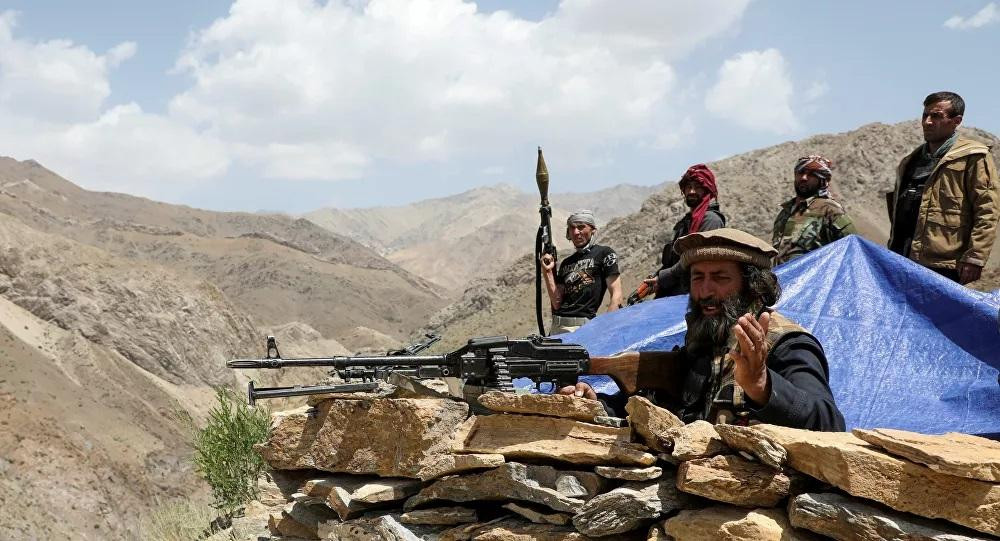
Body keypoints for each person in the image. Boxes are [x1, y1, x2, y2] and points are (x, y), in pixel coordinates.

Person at [560, 228, 846, 432]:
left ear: (753, 286)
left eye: (720, 278)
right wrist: (597, 403)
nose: (705, 291)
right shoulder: (704, 339)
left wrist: (762, 385)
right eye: (698, 278)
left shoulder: (787, 343)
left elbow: (829, 423)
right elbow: (652, 404)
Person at [887, 91, 1000, 284]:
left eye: (936, 116)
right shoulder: (910, 161)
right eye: (925, 115)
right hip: (901, 257)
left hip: (944, 264)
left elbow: (987, 210)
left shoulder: (973, 157)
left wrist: (975, 257)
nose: (927, 122)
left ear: (956, 121)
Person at [645, 164, 726, 299]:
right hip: (675, 296)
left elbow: (697, 257)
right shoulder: (685, 223)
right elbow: (673, 261)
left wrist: (663, 278)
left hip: (693, 296)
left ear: (707, 190)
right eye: (688, 187)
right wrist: (657, 278)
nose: (692, 191)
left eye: (697, 187)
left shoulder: (711, 221)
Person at [541, 210, 623, 334]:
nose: (575, 232)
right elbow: (557, 302)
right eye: (572, 228)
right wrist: (547, 272)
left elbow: (617, 296)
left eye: (581, 227)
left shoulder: (605, 254)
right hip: (557, 327)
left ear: (593, 230)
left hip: (583, 329)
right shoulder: (566, 263)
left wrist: (605, 328)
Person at [772, 155, 856, 265]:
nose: (804, 178)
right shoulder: (785, 212)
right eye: (801, 172)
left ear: (822, 179)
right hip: (779, 275)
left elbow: (853, 248)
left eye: (811, 174)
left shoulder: (830, 210)